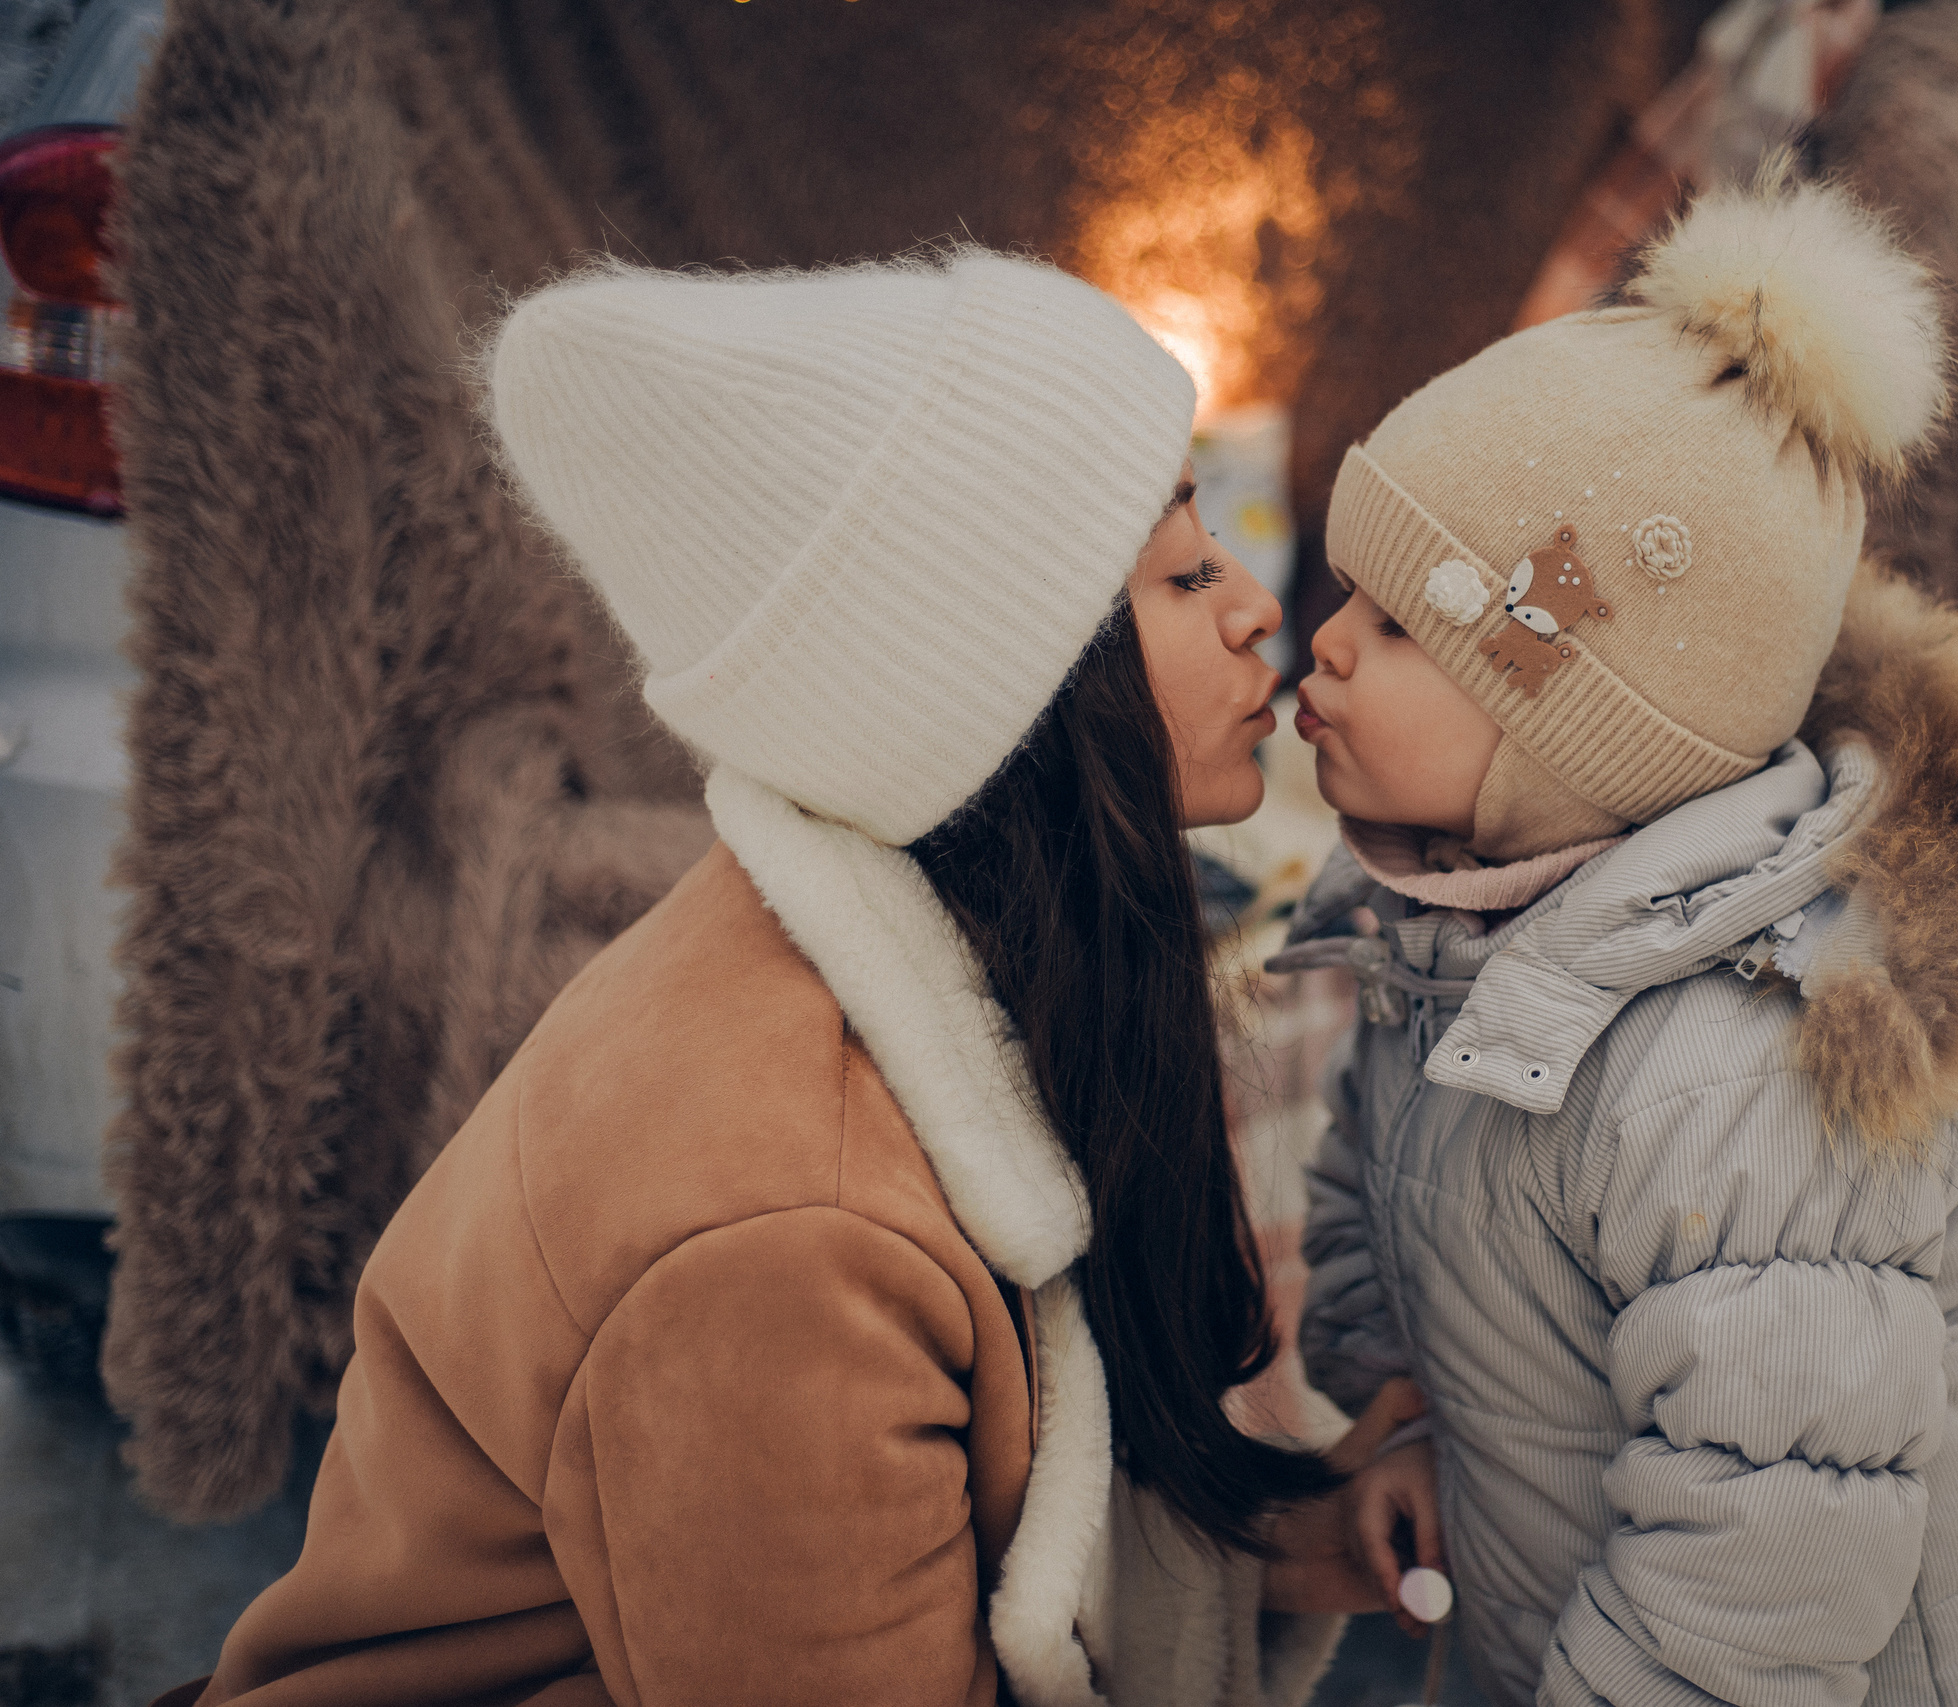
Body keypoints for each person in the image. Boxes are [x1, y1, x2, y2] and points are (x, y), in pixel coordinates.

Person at [157, 248, 1416, 1707]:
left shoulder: (949, 966)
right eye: (1186, 572)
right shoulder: (787, 1236)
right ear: (995, 691)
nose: (1261, 611)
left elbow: (1009, 1503)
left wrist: (1291, 1539)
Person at [1276, 173, 1958, 1706]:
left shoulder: (1738, 1074)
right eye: (1343, 594)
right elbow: (1364, 1183)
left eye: (1397, 627)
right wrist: (1400, 1406)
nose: (1322, 640)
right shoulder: (1433, 933)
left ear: (1566, 738)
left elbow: (1765, 1566)